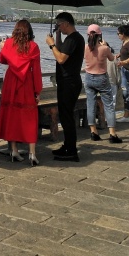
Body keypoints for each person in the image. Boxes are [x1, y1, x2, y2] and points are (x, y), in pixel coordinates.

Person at [0, 20, 42, 166]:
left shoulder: (8, 43)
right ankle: (32, 153)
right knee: (30, 117)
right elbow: (36, 71)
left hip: (11, 82)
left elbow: (3, 60)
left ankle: (14, 150)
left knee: (11, 114)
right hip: (26, 83)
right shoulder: (33, 46)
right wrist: (37, 91)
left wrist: (2, 48)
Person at [45, 12, 85, 162]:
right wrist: (56, 36)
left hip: (70, 82)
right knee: (64, 115)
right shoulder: (71, 39)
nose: (58, 27)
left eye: (59, 25)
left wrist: (51, 45)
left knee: (67, 116)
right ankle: (67, 146)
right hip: (67, 82)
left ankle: (72, 151)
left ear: (66, 23)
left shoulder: (74, 38)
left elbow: (61, 58)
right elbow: (62, 49)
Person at [83, 24, 122, 144]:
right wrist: (105, 46)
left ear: (88, 35)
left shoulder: (85, 47)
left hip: (88, 78)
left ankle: (93, 132)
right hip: (102, 78)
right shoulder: (104, 48)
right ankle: (112, 134)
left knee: (90, 104)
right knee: (108, 105)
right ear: (100, 35)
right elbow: (111, 59)